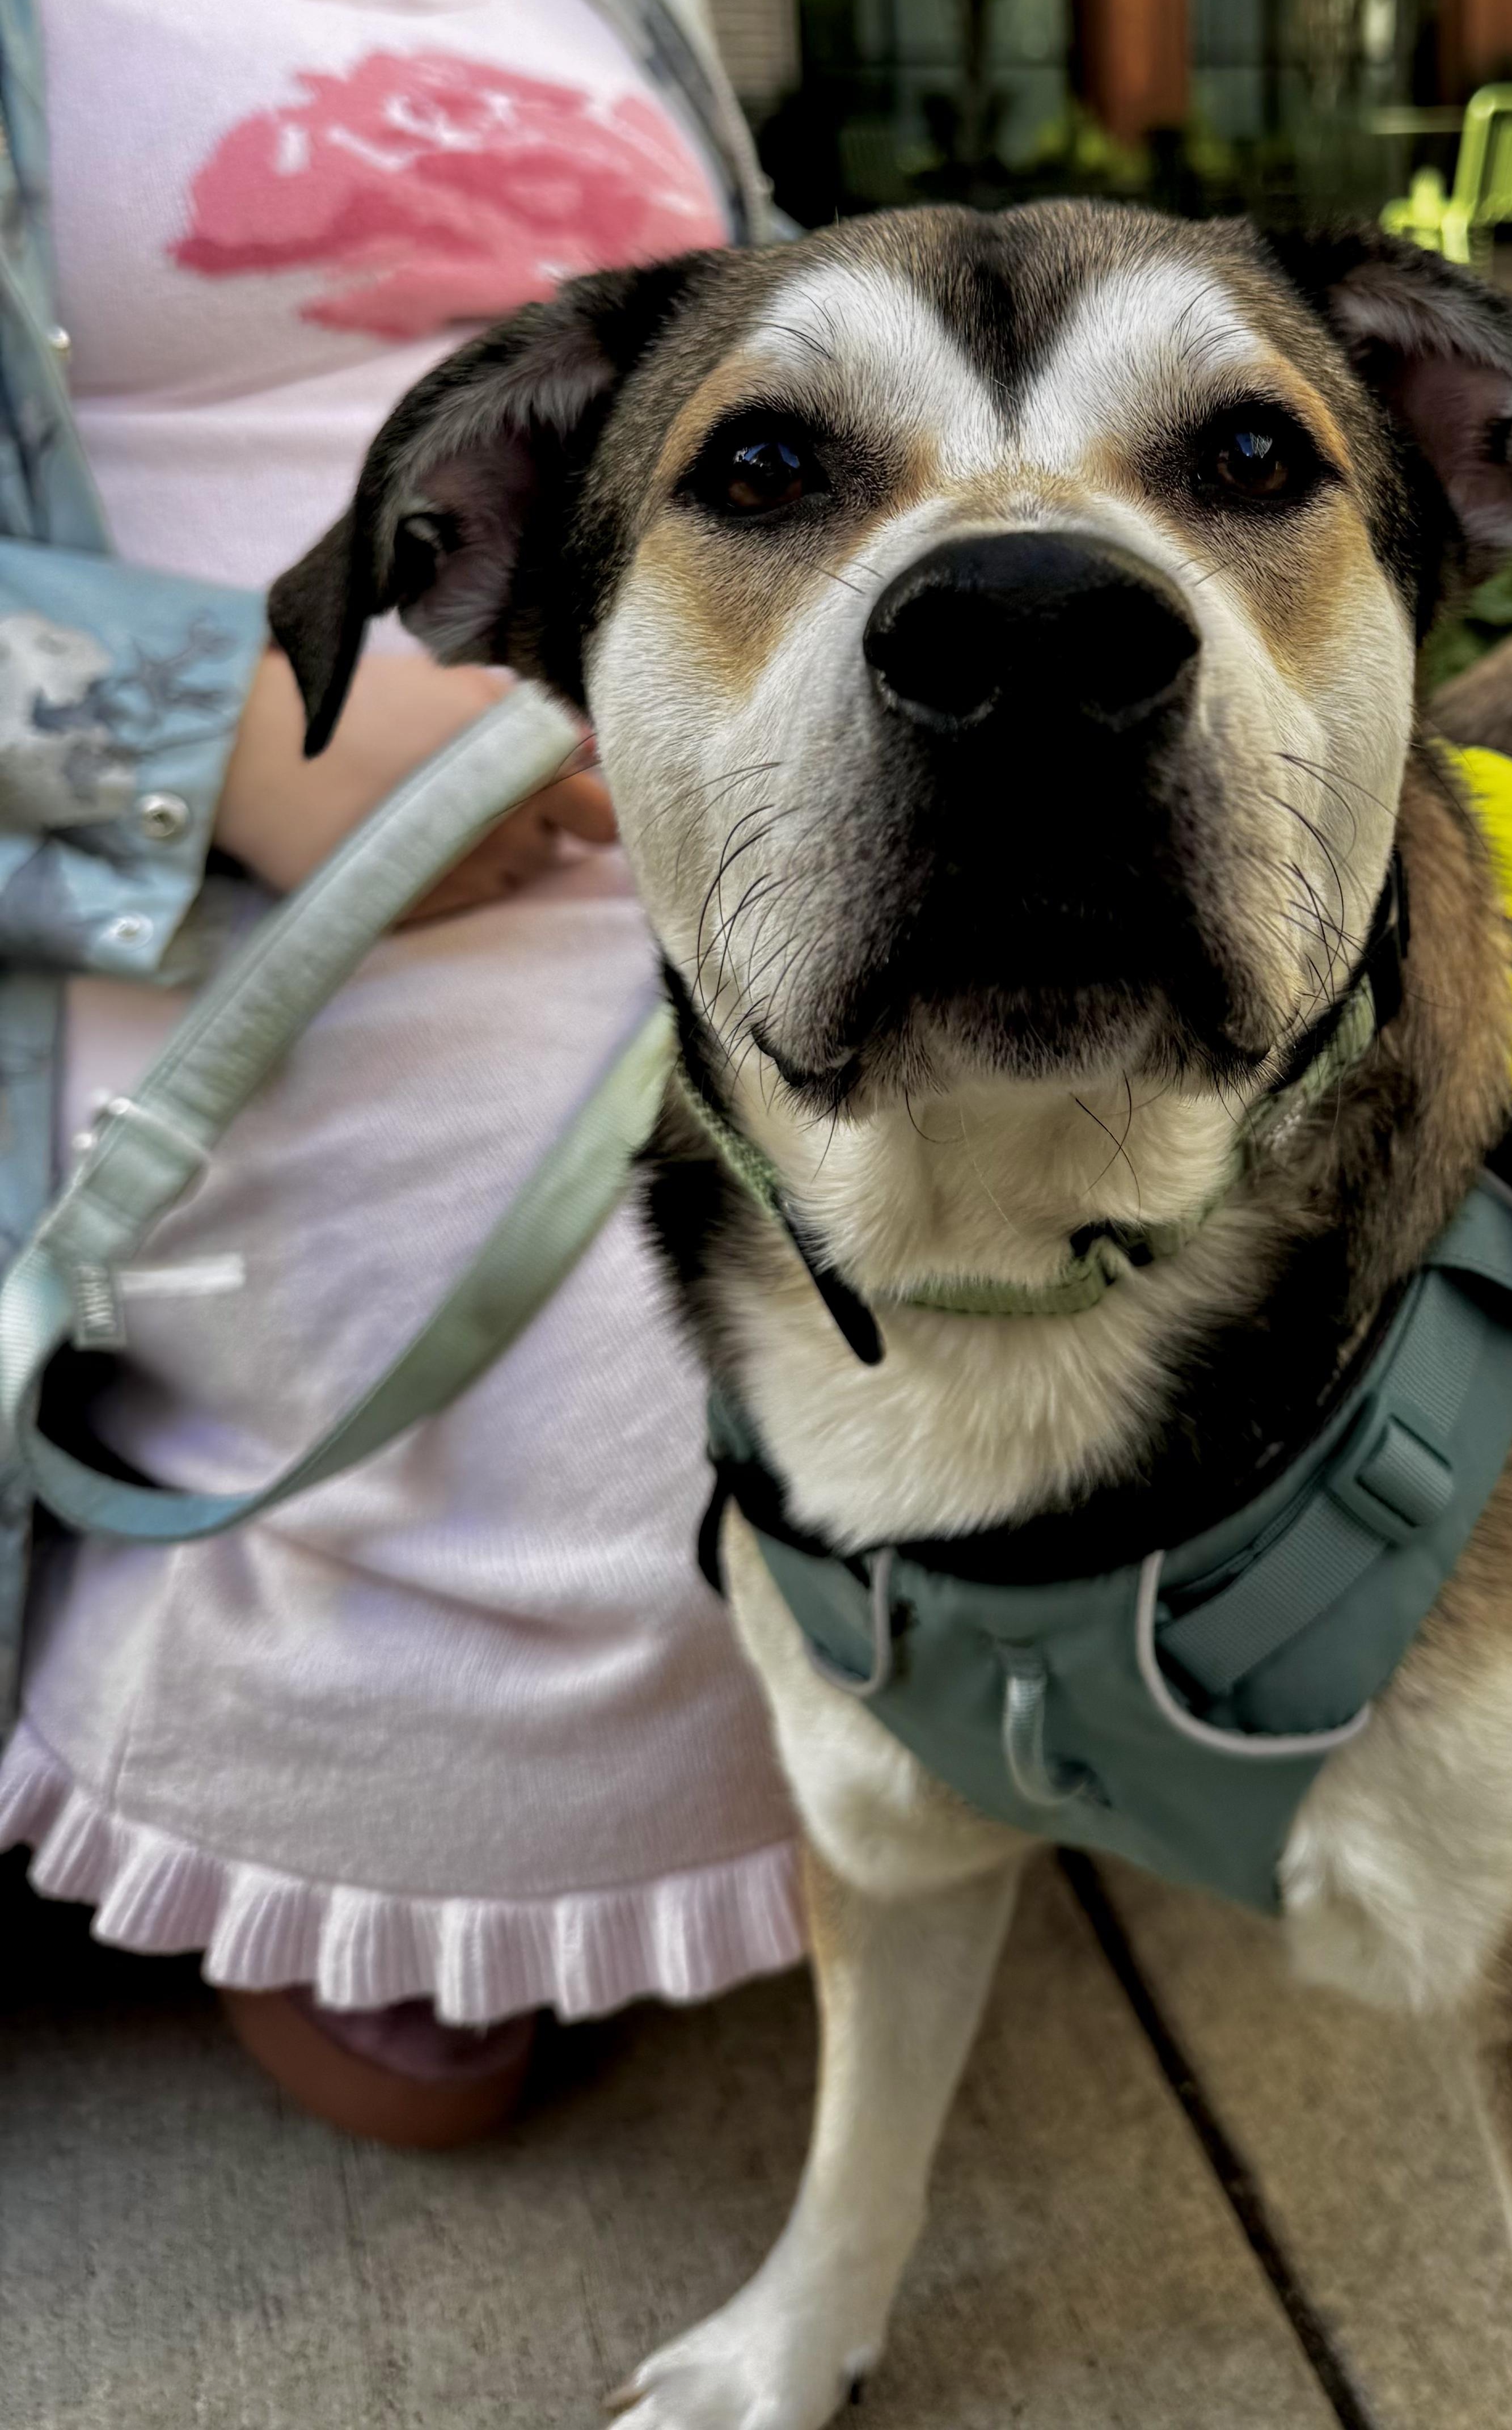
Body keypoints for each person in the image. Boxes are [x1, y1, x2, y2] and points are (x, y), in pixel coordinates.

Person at [0, 0, 806, 2148]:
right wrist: (219, 738)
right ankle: (289, 1734)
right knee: (721, 1353)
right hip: (212, 898)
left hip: (723, 798)